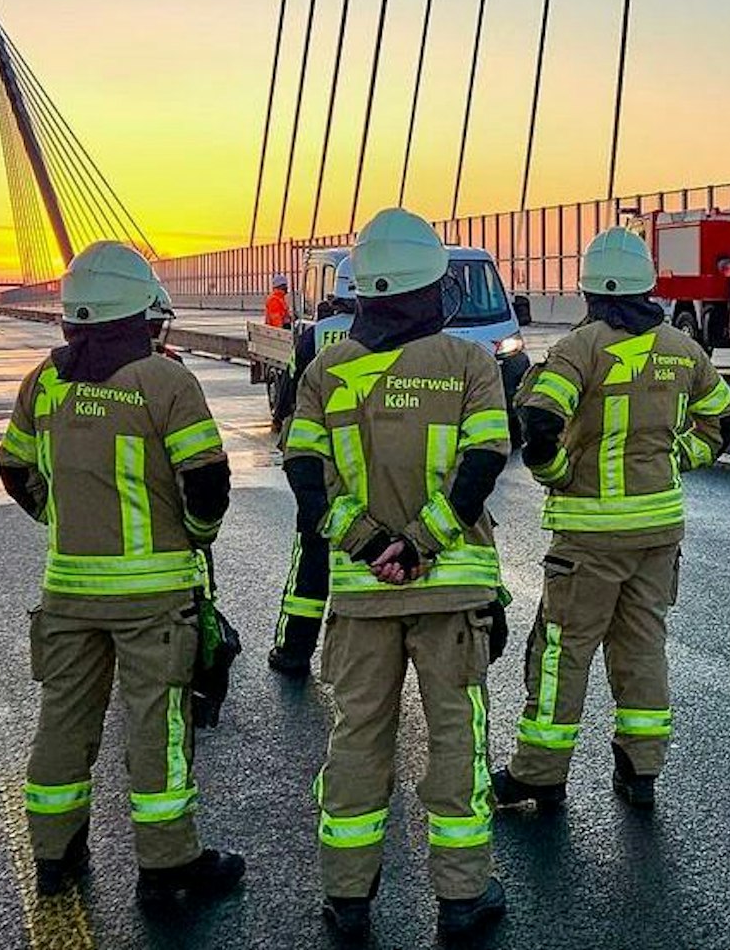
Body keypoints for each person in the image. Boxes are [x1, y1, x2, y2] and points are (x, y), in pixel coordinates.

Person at [0, 241, 245, 911]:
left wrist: (62, 518)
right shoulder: (164, 381)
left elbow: (14, 468)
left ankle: (55, 855)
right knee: (157, 727)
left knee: (63, 721)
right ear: (138, 315)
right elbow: (207, 481)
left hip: (68, 591)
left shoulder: (44, 383)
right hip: (153, 597)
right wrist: (196, 536)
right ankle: (168, 866)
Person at [286, 208, 511, 942]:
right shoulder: (470, 364)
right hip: (450, 592)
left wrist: (368, 544)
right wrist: (420, 545)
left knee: (356, 738)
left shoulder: (325, 372)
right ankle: (462, 896)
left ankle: (347, 895)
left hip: (361, 599)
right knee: (456, 741)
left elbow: (307, 479)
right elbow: (482, 465)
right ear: (430, 286)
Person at [492, 227, 730, 813]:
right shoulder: (682, 349)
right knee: (642, 647)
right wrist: (679, 458)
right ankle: (641, 770)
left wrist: (555, 471)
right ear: (646, 285)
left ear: (589, 288)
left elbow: (538, 419)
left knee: (563, 651)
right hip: (659, 532)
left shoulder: (580, 348)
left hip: (590, 536)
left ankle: (540, 773)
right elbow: (725, 420)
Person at [267, 258, 358, 678]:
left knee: (312, 555)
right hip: (371, 463)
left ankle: (294, 651)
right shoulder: (392, 338)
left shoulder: (316, 335)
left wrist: (283, 421)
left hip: (320, 462)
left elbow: (288, 387)